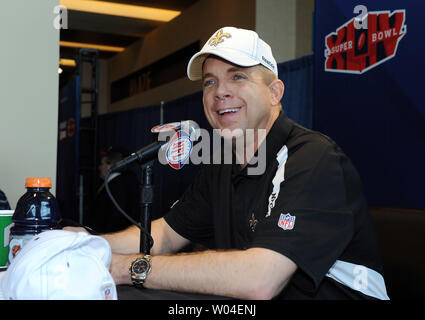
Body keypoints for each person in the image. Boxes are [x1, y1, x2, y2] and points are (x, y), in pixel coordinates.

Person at [67, 27, 389, 300]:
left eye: (238, 76)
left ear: (275, 92)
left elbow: (260, 279)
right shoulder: (221, 162)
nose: (220, 92)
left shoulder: (314, 158)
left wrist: (128, 267)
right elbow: (165, 236)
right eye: (210, 82)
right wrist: (82, 244)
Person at [86, 146, 140, 234]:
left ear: (109, 165)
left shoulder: (117, 186)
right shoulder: (118, 183)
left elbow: (116, 217)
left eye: (102, 163)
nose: (99, 167)